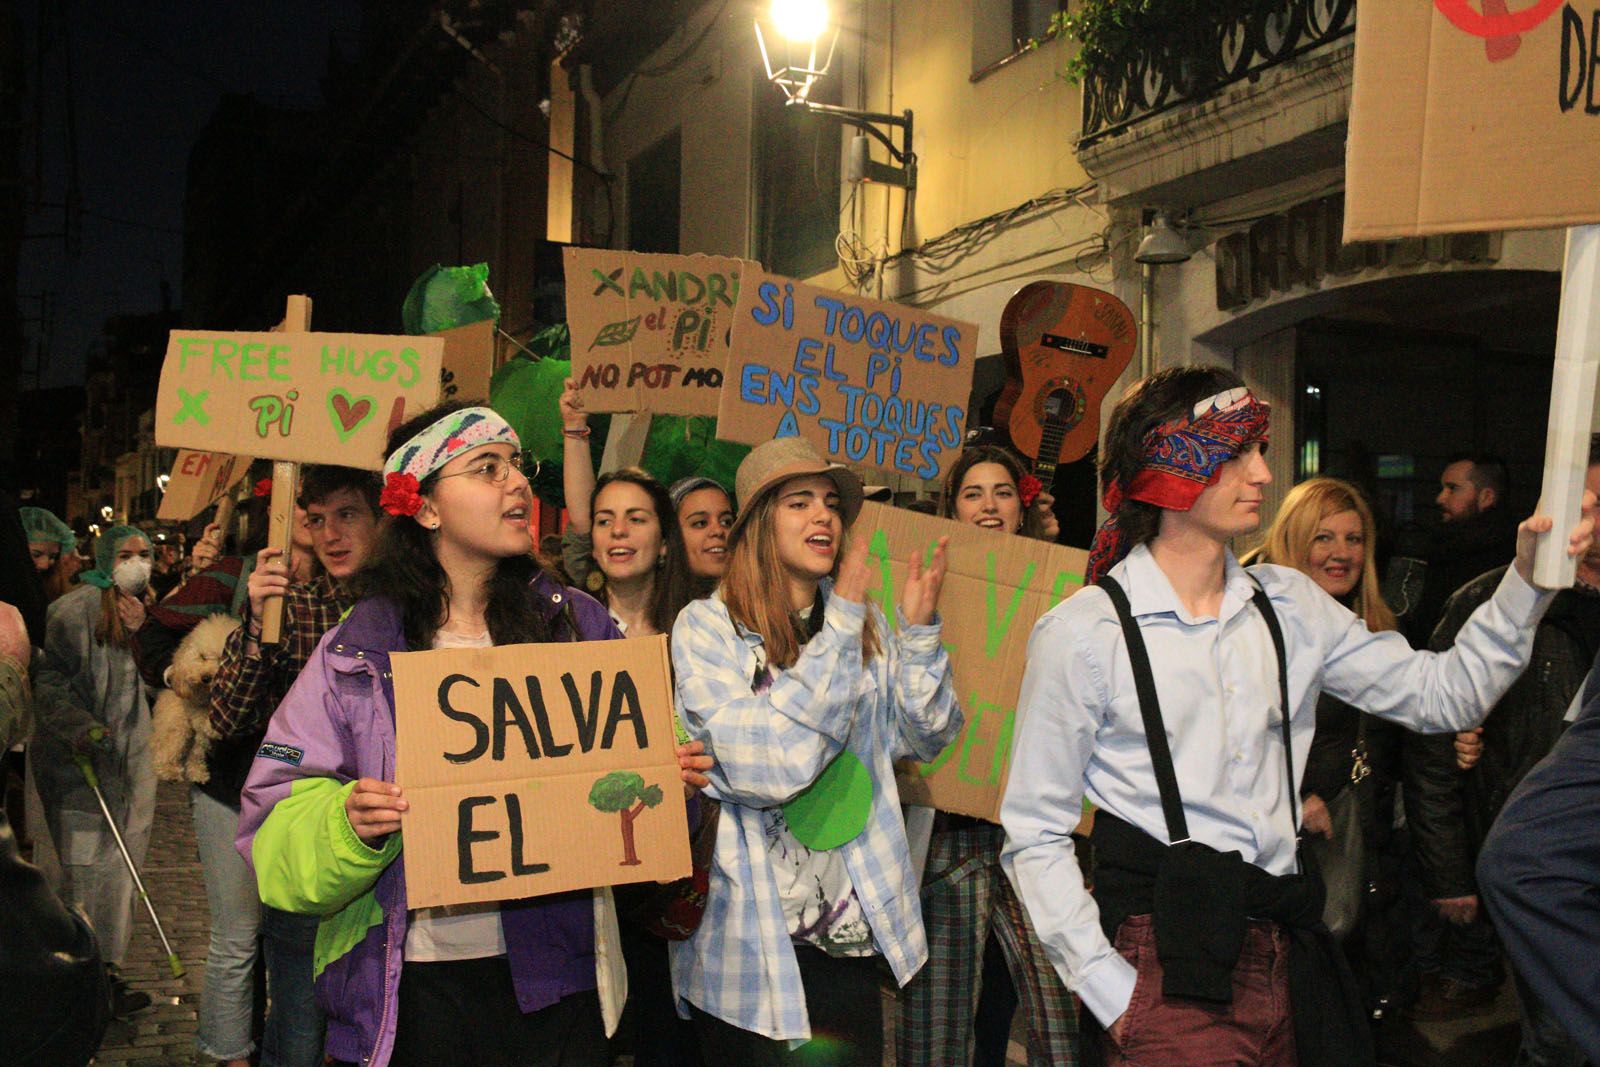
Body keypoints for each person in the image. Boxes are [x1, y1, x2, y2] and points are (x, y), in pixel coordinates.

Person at [999, 366, 1594, 1067]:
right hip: (1168, 966)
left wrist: (1525, 581)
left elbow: (1445, 694)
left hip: (1292, 952)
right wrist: (1110, 988)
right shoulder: (1086, 632)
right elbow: (1034, 831)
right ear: (1175, 464)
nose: (1261, 471)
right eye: (1238, 450)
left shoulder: (1289, 606)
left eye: (1260, 448)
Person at [237, 402, 712, 1067]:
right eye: (486, 468)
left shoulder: (580, 626)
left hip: (559, 984)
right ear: (426, 507)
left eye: (517, 465)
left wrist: (673, 784)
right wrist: (350, 824)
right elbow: (271, 831)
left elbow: (647, 809)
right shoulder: (359, 651)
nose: (517, 483)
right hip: (407, 995)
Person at [669, 436, 962, 1063]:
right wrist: (843, 627)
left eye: (831, 504)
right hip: (751, 954)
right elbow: (764, 765)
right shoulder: (705, 629)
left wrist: (917, 635)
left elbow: (923, 736)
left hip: (849, 941)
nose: (823, 516)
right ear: (756, 526)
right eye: (799, 503)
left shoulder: (863, 625)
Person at [1415, 443, 1600, 1065]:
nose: (1592, 519)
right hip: (1545, 876)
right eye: (1584, 502)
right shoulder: (1494, 601)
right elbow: (1434, 744)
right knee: (1553, 1038)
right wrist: (1452, 874)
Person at [899, 444, 1078, 1067]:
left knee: (1061, 1014)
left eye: (1002, 491)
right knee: (940, 1024)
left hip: (1032, 833)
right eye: (973, 493)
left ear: (1022, 507)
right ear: (952, 508)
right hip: (948, 834)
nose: (989, 505)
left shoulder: (1063, 592)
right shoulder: (918, 587)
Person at [207, 464, 383, 1067]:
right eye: (316, 519)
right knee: (300, 1033)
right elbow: (227, 719)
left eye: (348, 514)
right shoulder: (299, 611)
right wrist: (259, 624)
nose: (331, 533)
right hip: (311, 856)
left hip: (388, 864)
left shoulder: (420, 614)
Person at [32, 524, 158, 1019]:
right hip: (77, 766)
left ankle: (108, 971)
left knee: (121, 875)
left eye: (144, 554)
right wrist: (80, 728)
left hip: (130, 763)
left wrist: (144, 632)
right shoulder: (71, 612)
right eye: (126, 554)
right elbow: (49, 681)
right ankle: (72, 974)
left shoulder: (146, 614)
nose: (138, 562)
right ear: (104, 558)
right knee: (80, 871)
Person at [558, 379, 734, 598]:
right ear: (668, 540)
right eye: (699, 523)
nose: (718, 531)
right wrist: (574, 427)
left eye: (727, 521)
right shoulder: (615, 602)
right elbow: (582, 519)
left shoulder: (749, 610)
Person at [1409, 453, 1518, 645]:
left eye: (1453, 489)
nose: (1440, 498)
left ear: (1486, 497)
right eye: (1442, 488)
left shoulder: (1505, 562)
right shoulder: (1444, 547)